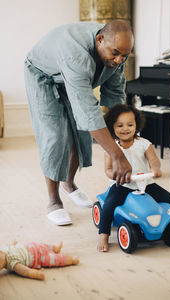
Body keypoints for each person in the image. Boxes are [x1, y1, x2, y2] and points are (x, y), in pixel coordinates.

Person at [24, 20, 134, 226]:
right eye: (116, 53)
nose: (120, 59)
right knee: (56, 136)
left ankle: (69, 184)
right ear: (99, 40)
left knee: (81, 133)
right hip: (42, 74)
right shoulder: (75, 53)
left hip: (72, 77)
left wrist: (125, 135)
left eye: (125, 55)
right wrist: (116, 155)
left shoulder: (117, 53)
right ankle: (54, 201)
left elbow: (115, 98)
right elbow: (88, 111)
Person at [97, 104, 170, 252]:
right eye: (119, 125)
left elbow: (154, 160)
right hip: (122, 185)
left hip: (146, 183)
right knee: (109, 204)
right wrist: (116, 176)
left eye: (130, 124)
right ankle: (103, 234)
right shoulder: (112, 148)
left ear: (137, 125)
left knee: (168, 199)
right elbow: (107, 169)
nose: (125, 128)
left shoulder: (144, 144)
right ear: (112, 128)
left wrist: (155, 169)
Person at [0, 241, 79, 280]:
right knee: (55, 260)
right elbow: (24, 271)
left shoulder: (3, 249)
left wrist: (13, 244)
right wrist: (33, 273)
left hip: (32, 246)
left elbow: (9, 247)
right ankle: (71, 260)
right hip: (38, 258)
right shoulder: (12, 263)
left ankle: (56, 248)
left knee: (45, 245)